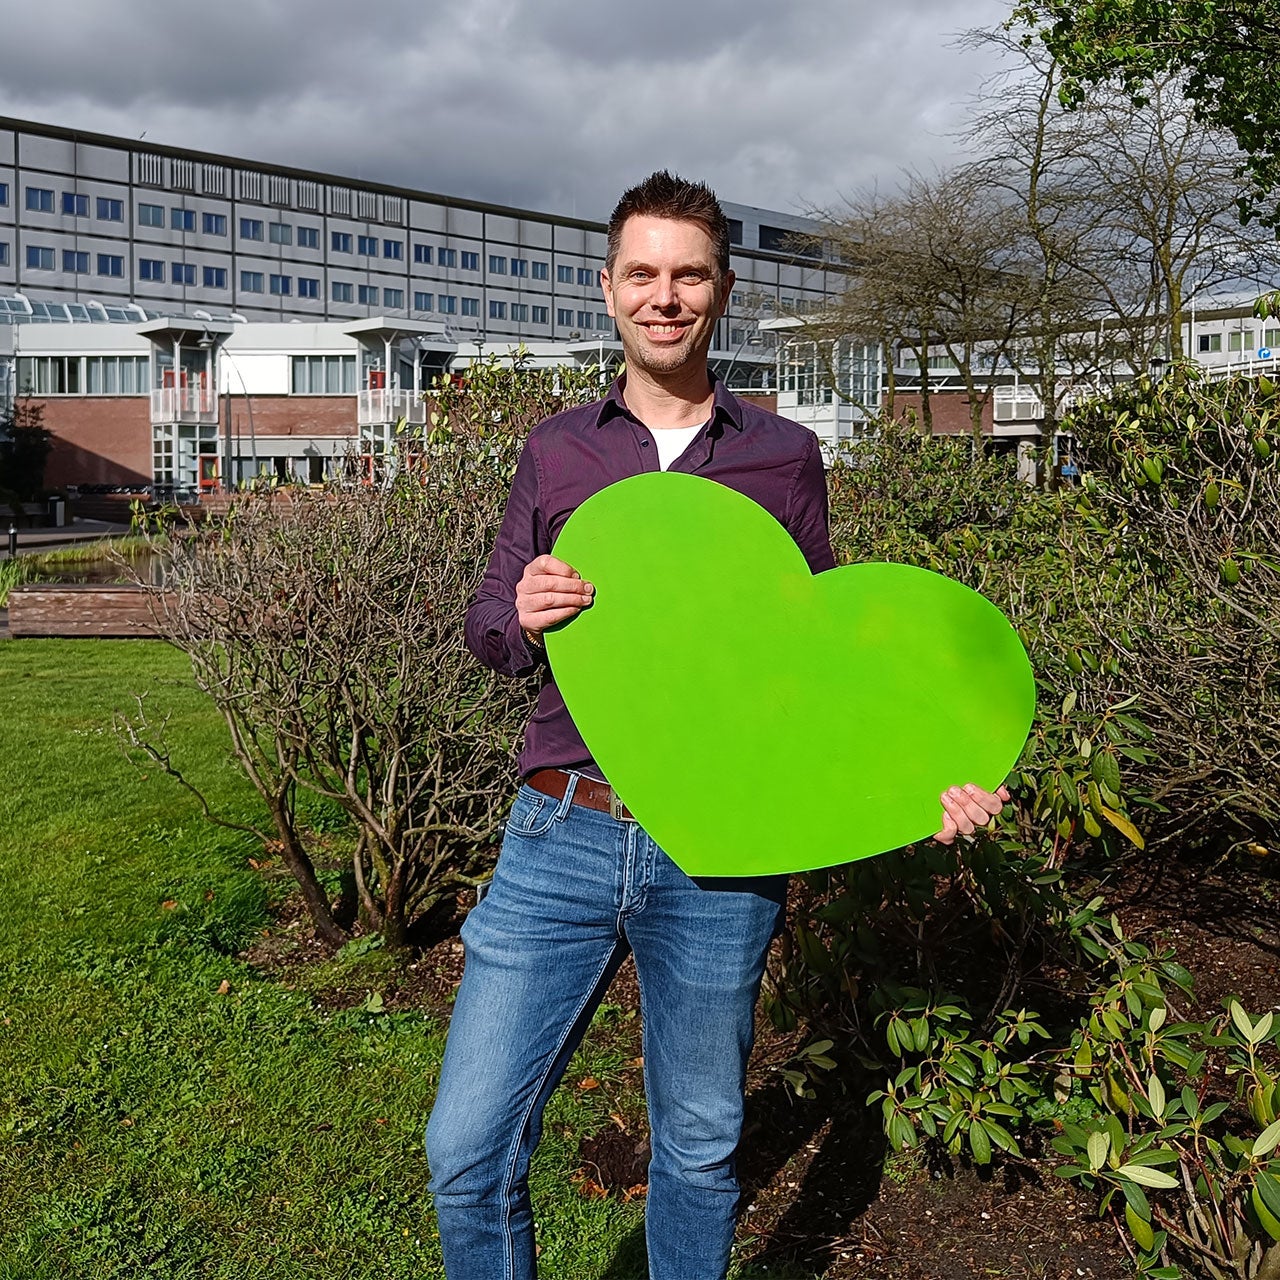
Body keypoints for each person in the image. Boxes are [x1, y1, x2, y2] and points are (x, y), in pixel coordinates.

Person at [425, 170, 1009, 1280]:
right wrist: (523, 610)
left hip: (721, 853)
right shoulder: (557, 451)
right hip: (559, 832)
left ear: (721, 290)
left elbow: (812, 668)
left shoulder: (780, 456)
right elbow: (489, 630)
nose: (663, 295)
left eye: (686, 273)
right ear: (606, 289)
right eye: (640, 273)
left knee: (696, 1146)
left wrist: (928, 774)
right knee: (464, 1145)